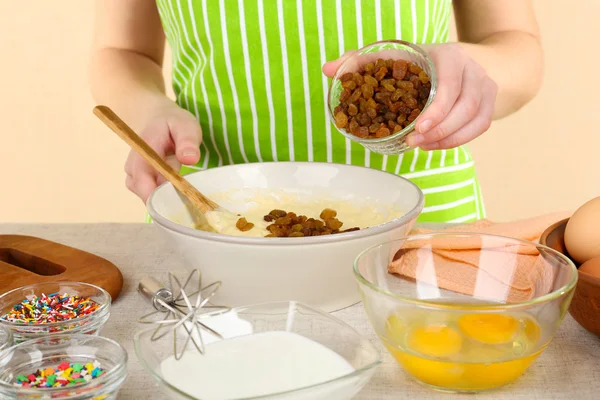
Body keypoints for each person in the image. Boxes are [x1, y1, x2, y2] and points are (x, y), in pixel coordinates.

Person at [90, 0, 542, 223]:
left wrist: (472, 77)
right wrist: (148, 107)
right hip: (214, 214)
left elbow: (516, 45)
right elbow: (122, 50)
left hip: (426, 226)